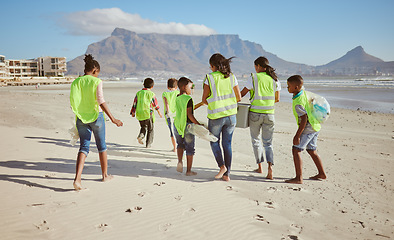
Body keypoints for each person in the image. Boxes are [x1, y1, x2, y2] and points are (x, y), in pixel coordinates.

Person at [70, 54, 123, 191]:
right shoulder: (96, 82)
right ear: (95, 71)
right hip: (96, 116)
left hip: (81, 118)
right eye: (97, 73)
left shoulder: (76, 82)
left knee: (83, 147)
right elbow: (101, 100)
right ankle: (104, 175)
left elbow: (73, 102)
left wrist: (79, 114)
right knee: (102, 146)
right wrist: (113, 119)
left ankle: (77, 179)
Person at [202, 53, 242, 181]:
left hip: (216, 117)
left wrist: (214, 103)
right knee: (227, 144)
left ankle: (222, 166)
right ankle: (227, 174)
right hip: (231, 116)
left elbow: (204, 99)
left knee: (214, 142)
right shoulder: (231, 77)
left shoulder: (209, 78)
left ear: (213, 66)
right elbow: (239, 97)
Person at [240, 56, 281, 179]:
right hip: (269, 114)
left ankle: (260, 167)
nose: (255, 69)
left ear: (258, 66)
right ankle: (270, 169)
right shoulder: (275, 79)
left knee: (256, 140)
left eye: (255, 67)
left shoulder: (253, 78)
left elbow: (241, 94)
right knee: (268, 143)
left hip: (255, 114)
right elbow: (277, 99)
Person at [285, 75, 327, 184]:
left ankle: (299, 178)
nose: (287, 88)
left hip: (308, 127)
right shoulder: (303, 92)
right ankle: (322, 174)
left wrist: (297, 136)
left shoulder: (298, 102)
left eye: (289, 86)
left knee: (296, 150)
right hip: (315, 126)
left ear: (296, 87)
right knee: (311, 150)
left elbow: (304, 119)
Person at [174, 77, 202, 176]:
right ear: (185, 86)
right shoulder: (188, 99)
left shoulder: (177, 97)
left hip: (177, 125)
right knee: (190, 148)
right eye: (191, 87)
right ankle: (189, 171)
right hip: (187, 126)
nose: (192, 89)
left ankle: (180, 162)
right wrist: (199, 124)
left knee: (180, 145)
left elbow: (183, 109)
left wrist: (201, 103)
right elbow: (189, 114)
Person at [130, 78, 163, 148]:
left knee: (143, 127)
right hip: (148, 114)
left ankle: (141, 136)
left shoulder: (138, 93)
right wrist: (159, 112)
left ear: (143, 85)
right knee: (150, 129)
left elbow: (135, 103)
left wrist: (133, 112)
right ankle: (148, 144)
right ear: (152, 86)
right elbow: (155, 104)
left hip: (139, 114)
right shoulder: (151, 94)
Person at [162, 78, 180, 152]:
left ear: (167, 86)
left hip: (169, 115)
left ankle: (175, 148)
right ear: (176, 87)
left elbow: (166, 103)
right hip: (177, 114)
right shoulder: (178, 93)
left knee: (172, 131)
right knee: (178, 130)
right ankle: (180, 146)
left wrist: (168, 111)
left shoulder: (165, 93)